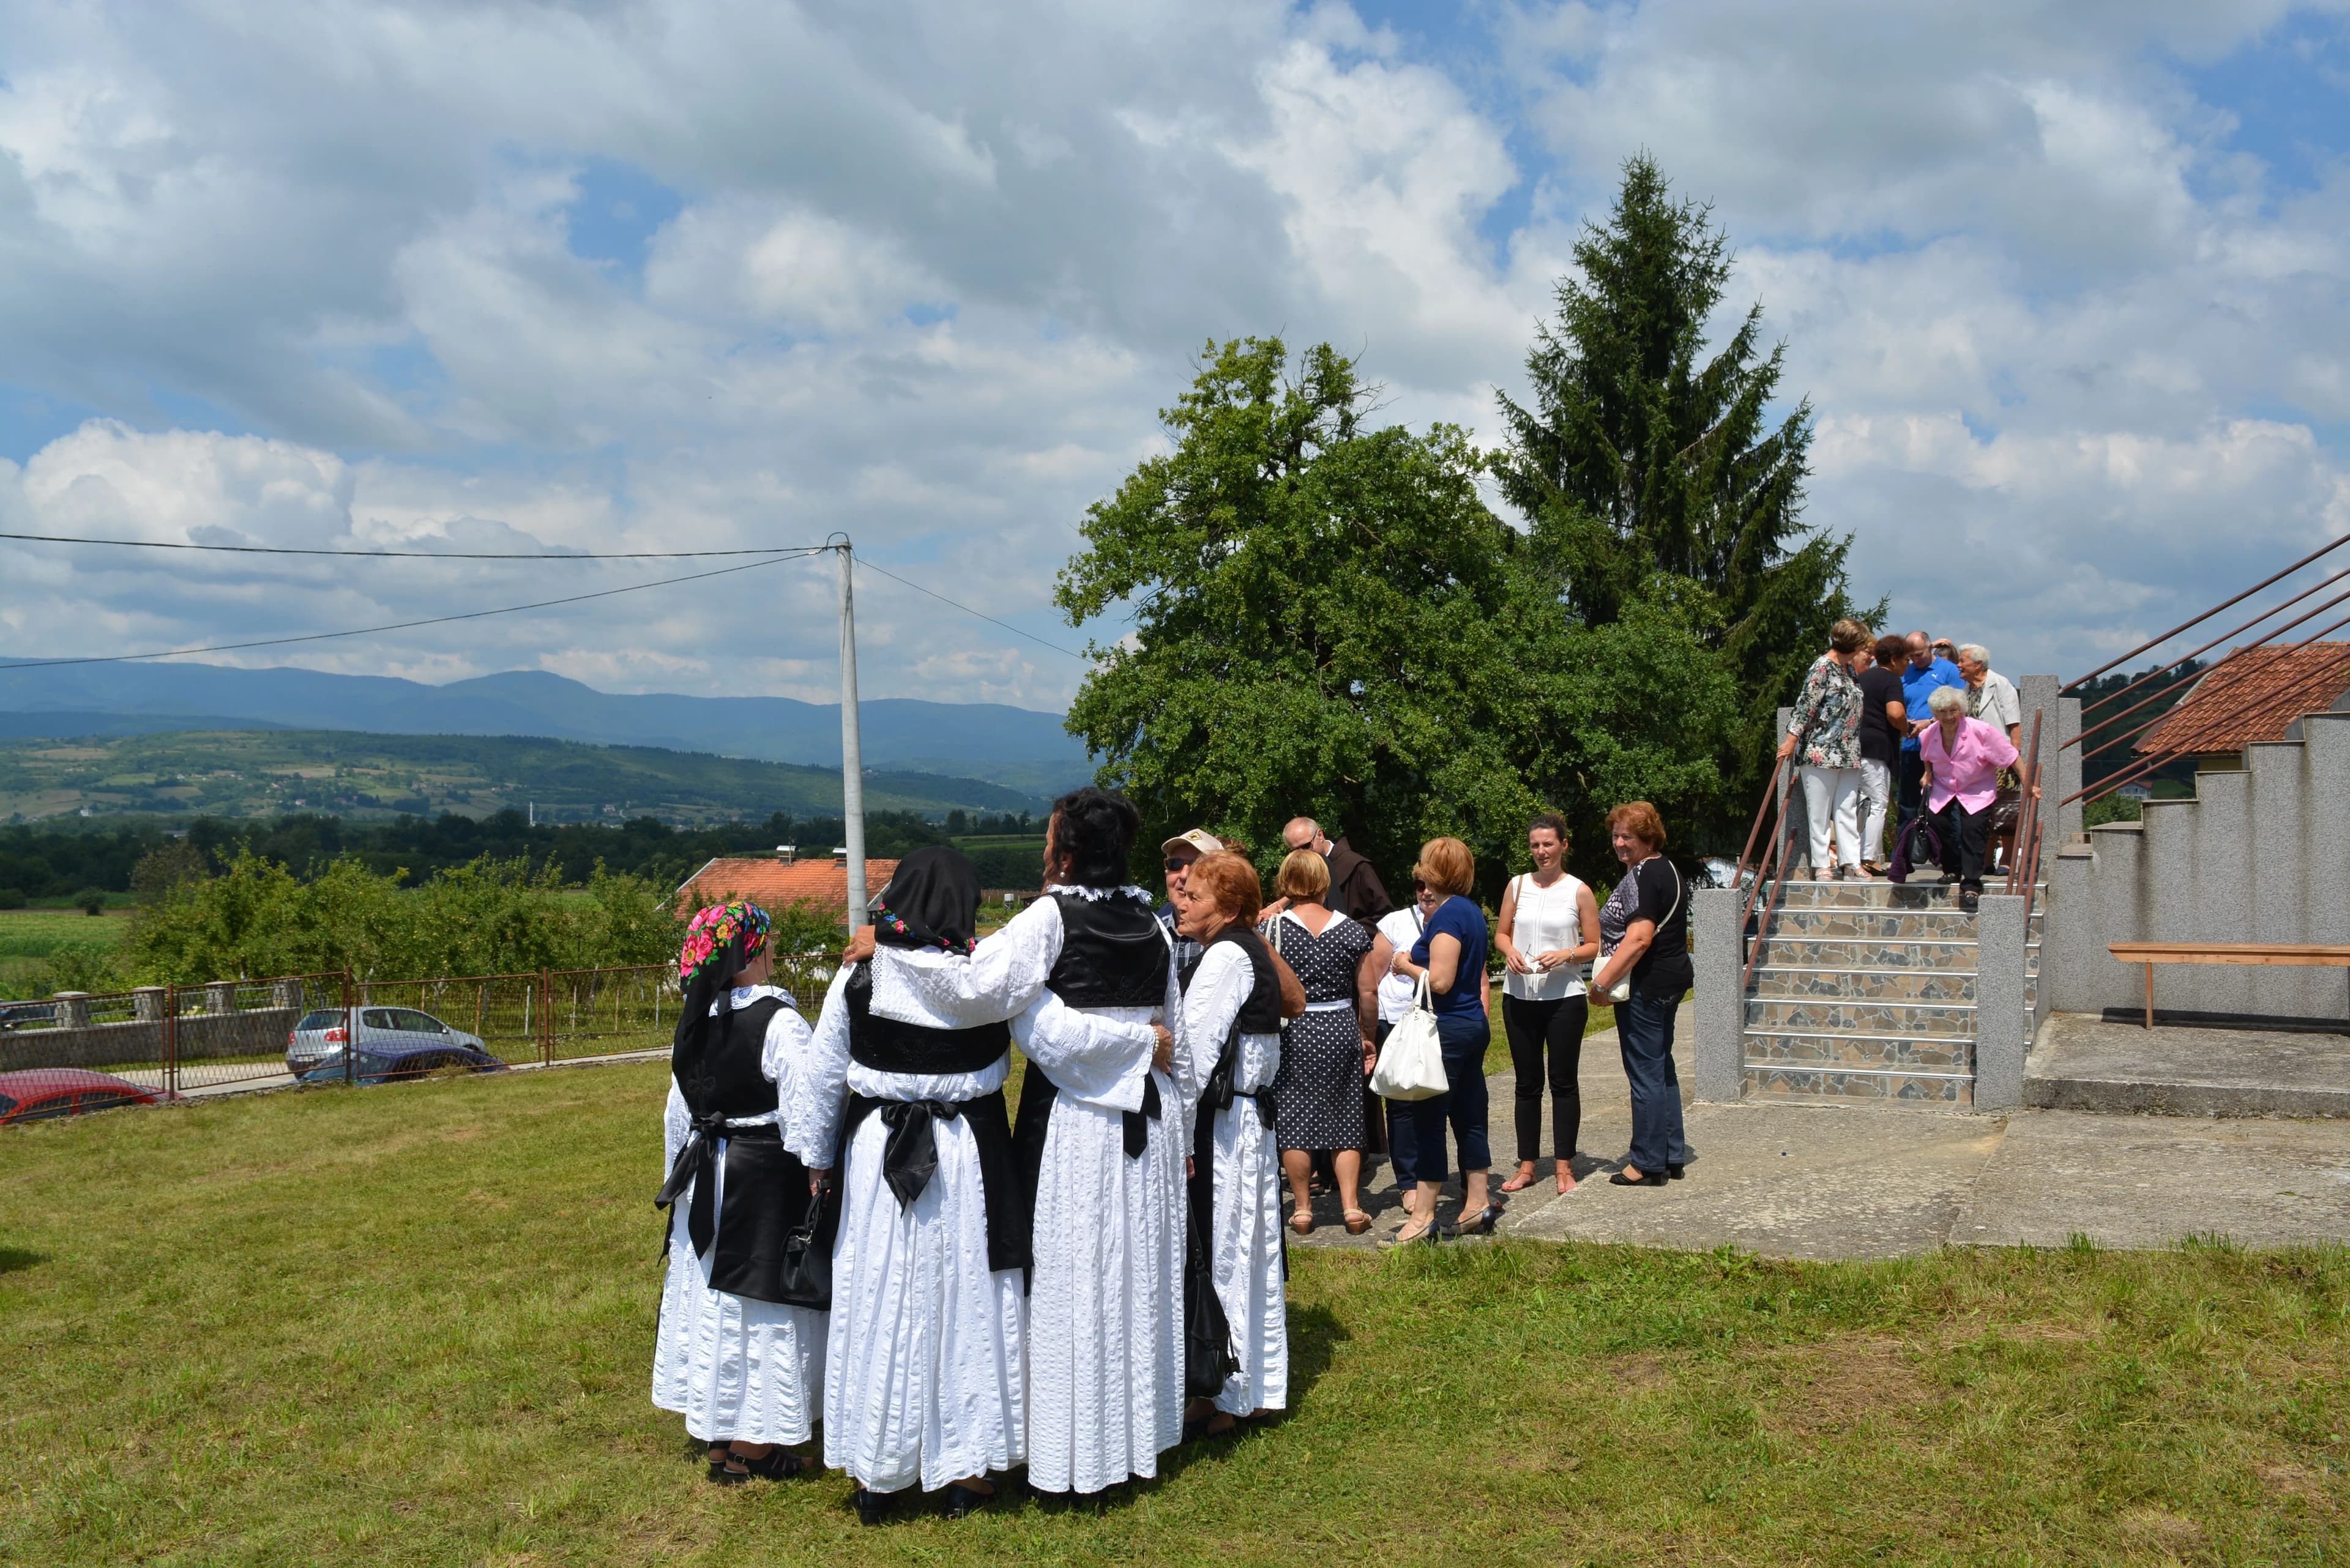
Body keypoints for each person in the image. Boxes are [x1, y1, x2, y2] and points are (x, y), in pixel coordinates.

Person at [839, 787, 1180, 1500]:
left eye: (1049, 837)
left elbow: (984, 998)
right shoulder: (1154, 921)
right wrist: (1141, 1044)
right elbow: (1169, 1035)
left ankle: (1078, 1452)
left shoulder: (1051, 917)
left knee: (1075, 1277)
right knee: (1130, 1271)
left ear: (1065, 850)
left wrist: (891, 947)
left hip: (1082, 1120)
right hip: (1148, 1111)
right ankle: (1124, 1440)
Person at [652, 900, 830, 1485]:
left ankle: (719, 1439)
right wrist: (818, 1167)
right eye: (768, 941)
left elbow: (677, 1115)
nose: (774, 949)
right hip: (759, 1176)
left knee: (712, 1295)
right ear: (747, 954)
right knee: (758, 1300)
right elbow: (806, 1104)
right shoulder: (777, 1020)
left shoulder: (694, 1020)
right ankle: (755, 1445)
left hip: (707, 1174)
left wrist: (679, 1181)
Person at [1173, 851, 1291, 1439]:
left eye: (1196, 895)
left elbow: (1192, 1054)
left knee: (1230, 1251)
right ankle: (1249, 1386)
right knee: (1249, 1248)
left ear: (1231, 907)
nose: (1183, 901)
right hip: (1247, 1118)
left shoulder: (1225, 955)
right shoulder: (1246, 949)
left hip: (1227, 1125)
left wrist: (1175, 1125)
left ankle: (1231, 1388)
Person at [1382, 837, 1494, 1243]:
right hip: (1472, 1025)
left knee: (1428, 1123)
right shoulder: (1472, 912)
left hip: (1446, 1029)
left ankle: (1423, 1217)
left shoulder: (1448, 916)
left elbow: (1442, 981)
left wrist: (1404, 964)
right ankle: (1477, 1204)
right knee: (1469, 1117)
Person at [1263, 848, 1378, 1236]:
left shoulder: (1273, 929)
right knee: (1347, 1116)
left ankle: (1302, 1209)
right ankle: (1351, 1207)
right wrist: (1367, 1036)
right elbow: (1368, 992)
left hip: (1294, 1029)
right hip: (1340, 1025)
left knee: (1294, 1119)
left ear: (1286, 883)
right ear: (1325, 883)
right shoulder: (1351, 930)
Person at [1492, 813, 1600, 1197]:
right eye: (1535, 845)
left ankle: (1564, 1167)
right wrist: (1510, 952)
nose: (1541, 852)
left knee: (1563, 1082)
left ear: (1563, 845)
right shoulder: (1517, 886)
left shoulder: (1578, 890)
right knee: (1526, 1084)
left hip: (1564, 1000)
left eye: (1548, 844)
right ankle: (1526, 1165)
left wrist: (1567, 954)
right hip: (1520, 996)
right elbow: (1501, 935)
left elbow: (1594, 944)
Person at [1589, 804, 1691, 1188]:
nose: (1618, 843)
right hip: (1671, 981)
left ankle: (1647, 1164)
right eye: (1615, 835)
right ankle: (1671, 1154)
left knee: (1645, 1073)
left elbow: (1640, 938)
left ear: (1648, 837)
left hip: (1647, 986)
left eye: (1627, 836)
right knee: (1662, 1068)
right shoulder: (1667, 868)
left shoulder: (1645, 875)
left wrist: (1600, 986)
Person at [1778, 618, 1871, 881]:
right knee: (1819, 812)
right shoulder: (1822, 667)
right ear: (1851, 644)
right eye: (1861, 644)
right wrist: (1791, 740)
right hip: (1820, 750)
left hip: (1848, 751)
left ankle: (1851, 861)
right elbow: (1806, 705)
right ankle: (1822, 865)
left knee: (1847, 808)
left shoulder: (1848, 670)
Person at [1918, 684, 2020, 912]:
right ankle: (1952, 868)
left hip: (1977, 788)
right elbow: (1927, 756)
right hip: (1944, 787)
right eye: (1943, 712)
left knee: (1973, 830)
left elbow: (2011, 755)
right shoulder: (1929, 734)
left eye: (1953, 711)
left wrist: (2030, 783)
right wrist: (1927, 774)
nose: (1948, 716)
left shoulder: (1981, 731)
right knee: (1937, 823)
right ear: (1935, 714)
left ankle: (1972, 883)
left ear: (1961, 710)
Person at [1366, 879, 1438, 1199]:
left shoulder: (1456, 918)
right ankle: (1408, 1183)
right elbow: (1373, 977)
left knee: (1442, 1098)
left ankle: (1451, 1175)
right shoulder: (1395, 922)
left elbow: (1477, 976)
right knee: (1401, 1104)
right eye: (1419, 885)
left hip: (1440, 1020)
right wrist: (1367, 1029)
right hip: (1394, 1020)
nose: (1425, 891)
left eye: (1432, 884)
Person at [1898, 632, 1967, 825]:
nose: (1916, 660)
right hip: (1912, 747)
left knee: (1943, 805)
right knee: (1908, 804)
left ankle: (1945, 852)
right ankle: (1907, 852)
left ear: (1930, 648)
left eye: (1919, 654)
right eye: (1912, 656)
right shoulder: (1907, 672)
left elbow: (1960, 706)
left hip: (1943, 748)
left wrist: (1929, 722)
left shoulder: (1949, 670)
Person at [1856, 634, 1911, 875]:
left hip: (1855, 746)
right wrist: (1907, 728)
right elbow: (1895, 713)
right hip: (1878, 748)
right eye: (1906, 659)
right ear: (1895, 659)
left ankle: (1855, 854)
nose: (1908, 664)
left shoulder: (1862, 677)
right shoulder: (1891, 680)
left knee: (1858, 803)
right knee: (1877, 803)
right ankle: (1869, 857)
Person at [1281, 816, 1393, 925]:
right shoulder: (1298, 873)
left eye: (1306, 846)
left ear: (1320, 836)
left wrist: (1350, 932)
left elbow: (1385, 917)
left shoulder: (1357, 866)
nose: (1303, 854)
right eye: (1296, 851)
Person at [1157, 828, 1222, 988]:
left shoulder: (1230, 935)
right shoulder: (1150, 931)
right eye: (1175, 864)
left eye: (1198, 865)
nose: (1185, 875)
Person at [1955, 644, 2023, 749]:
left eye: (1962, 661)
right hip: (1973, 753)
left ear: (1978, 665)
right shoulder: (1966, 690)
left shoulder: (2001, 684)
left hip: (1998, 751)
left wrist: (2015, 754)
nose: (1958, 665)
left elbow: (2013, 723)